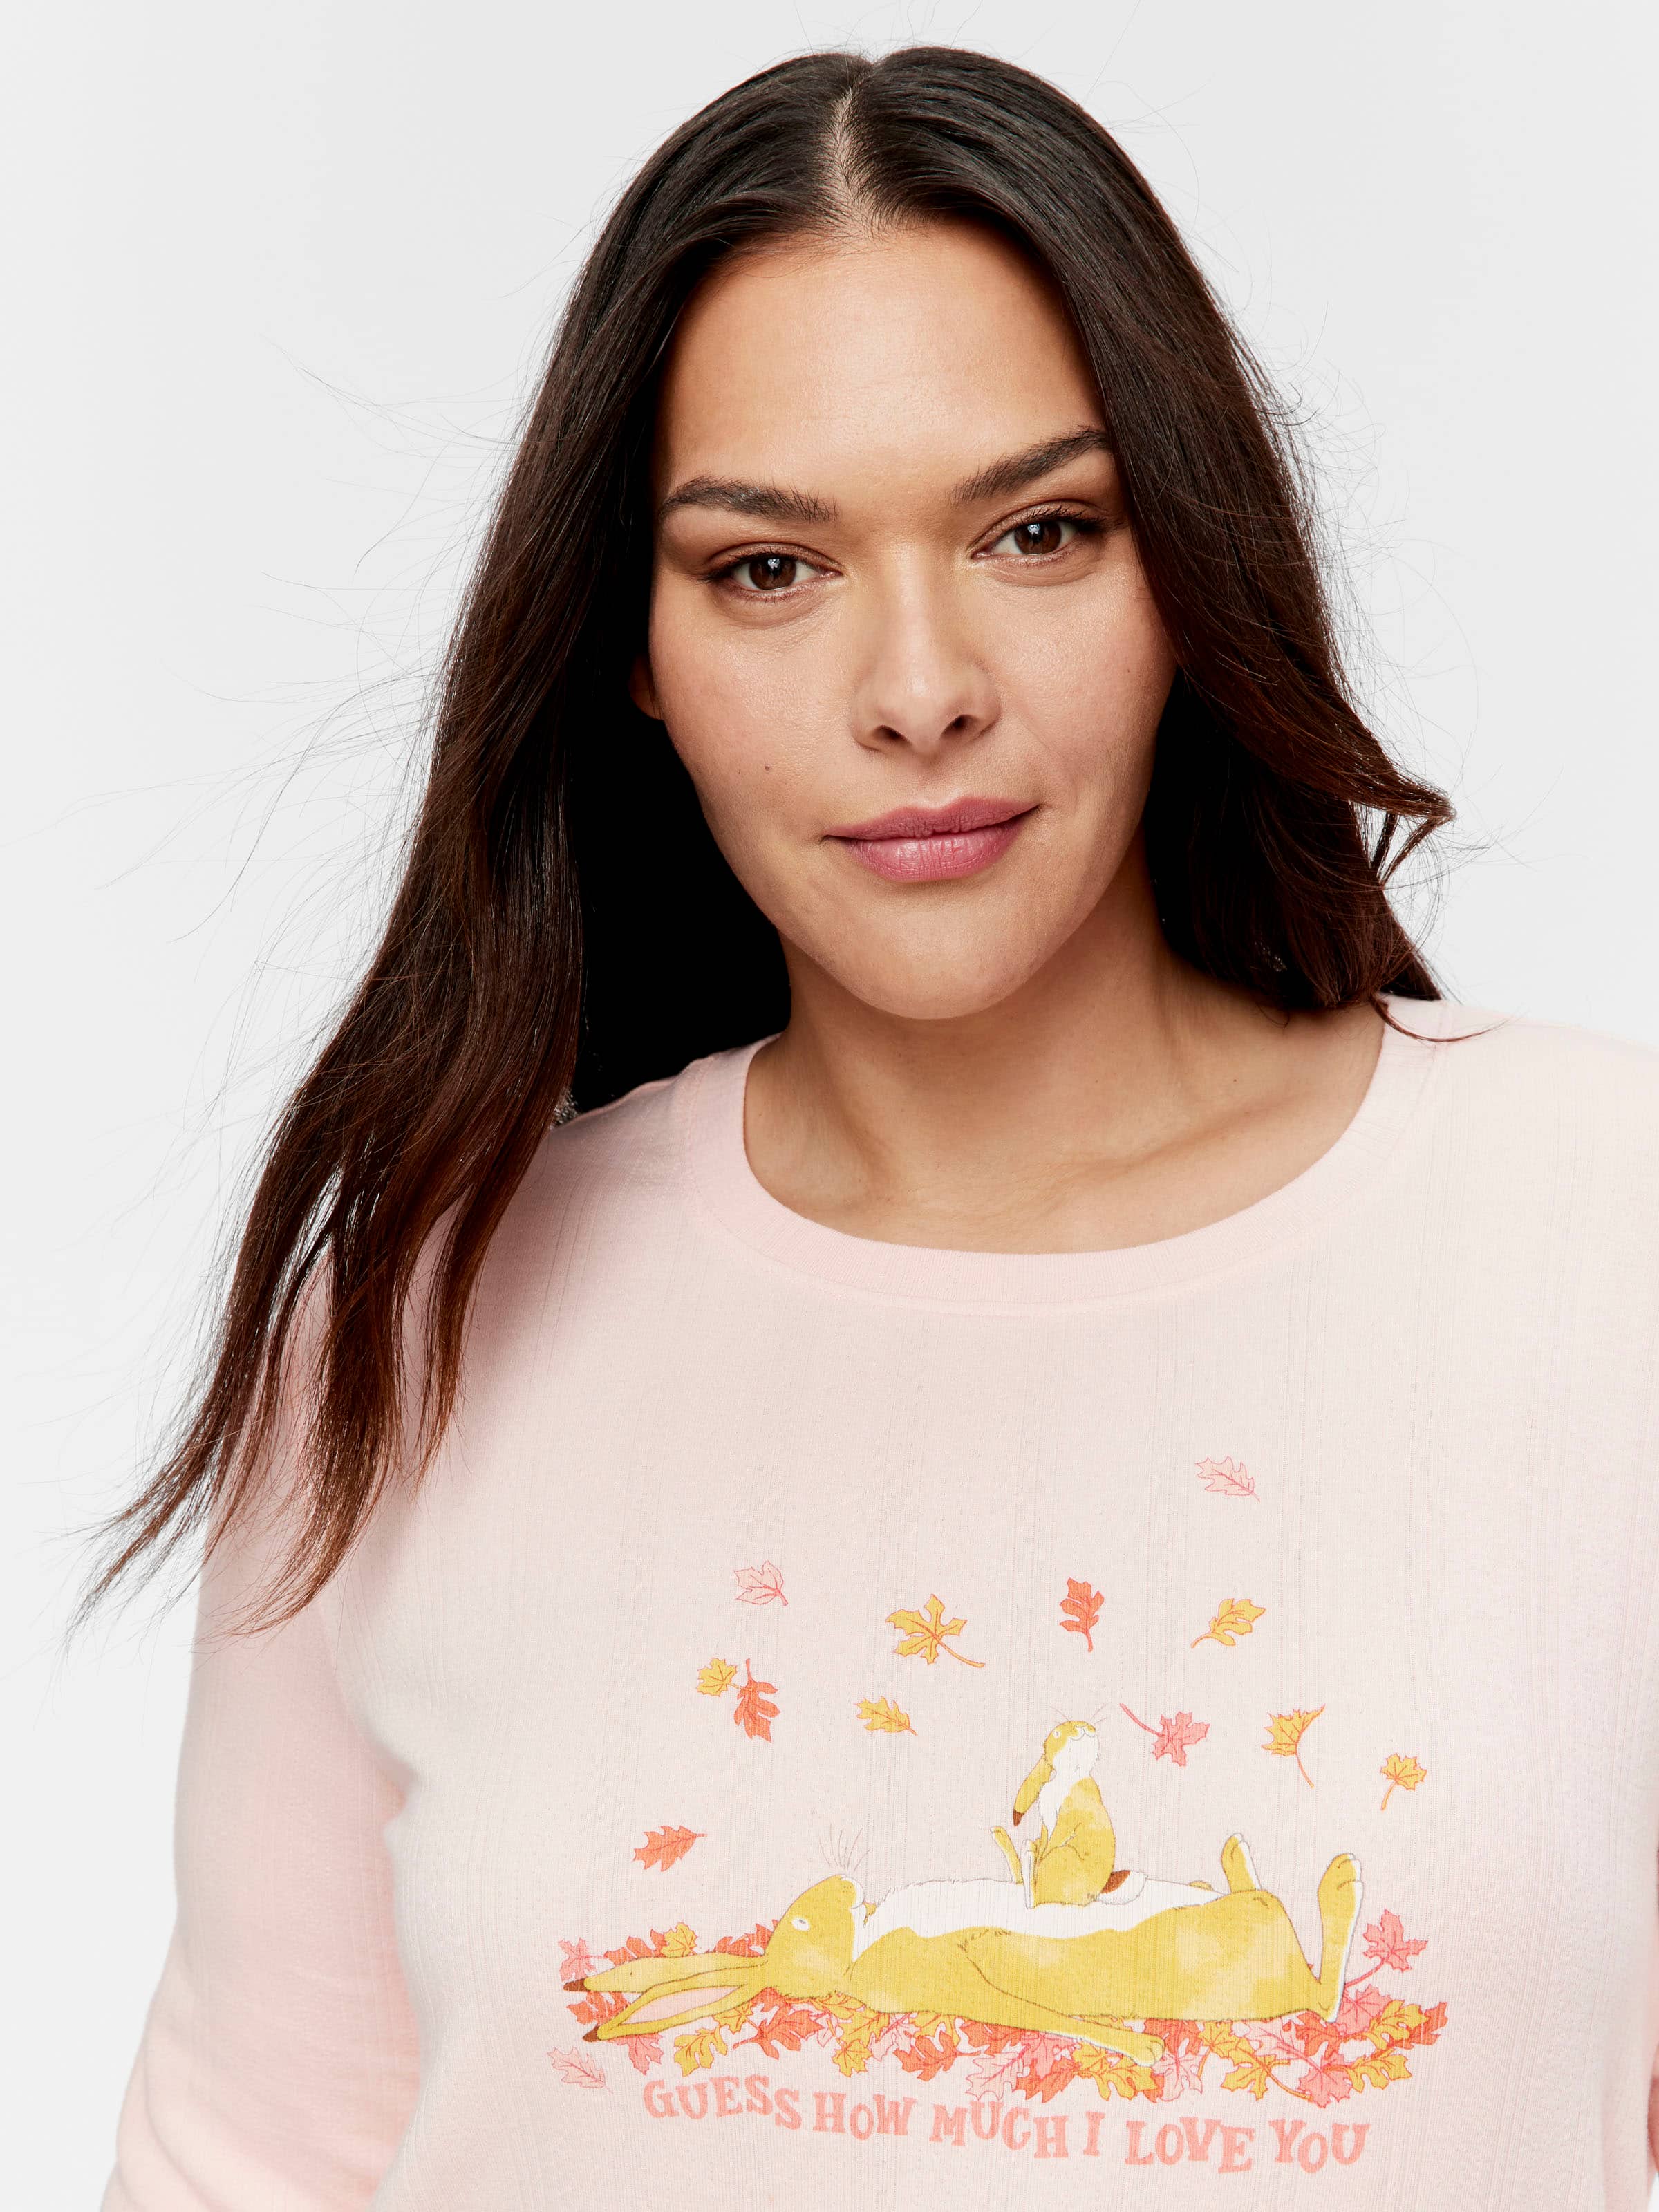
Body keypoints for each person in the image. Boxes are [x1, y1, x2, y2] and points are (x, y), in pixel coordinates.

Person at [85, 44, 1659, 2212]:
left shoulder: (1601, 1240)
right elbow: (256, 2163)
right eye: (769, 568)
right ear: (633, 647)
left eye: (1039, 532)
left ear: (1185, 572)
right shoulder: (416, 1320)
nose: (920, 690)